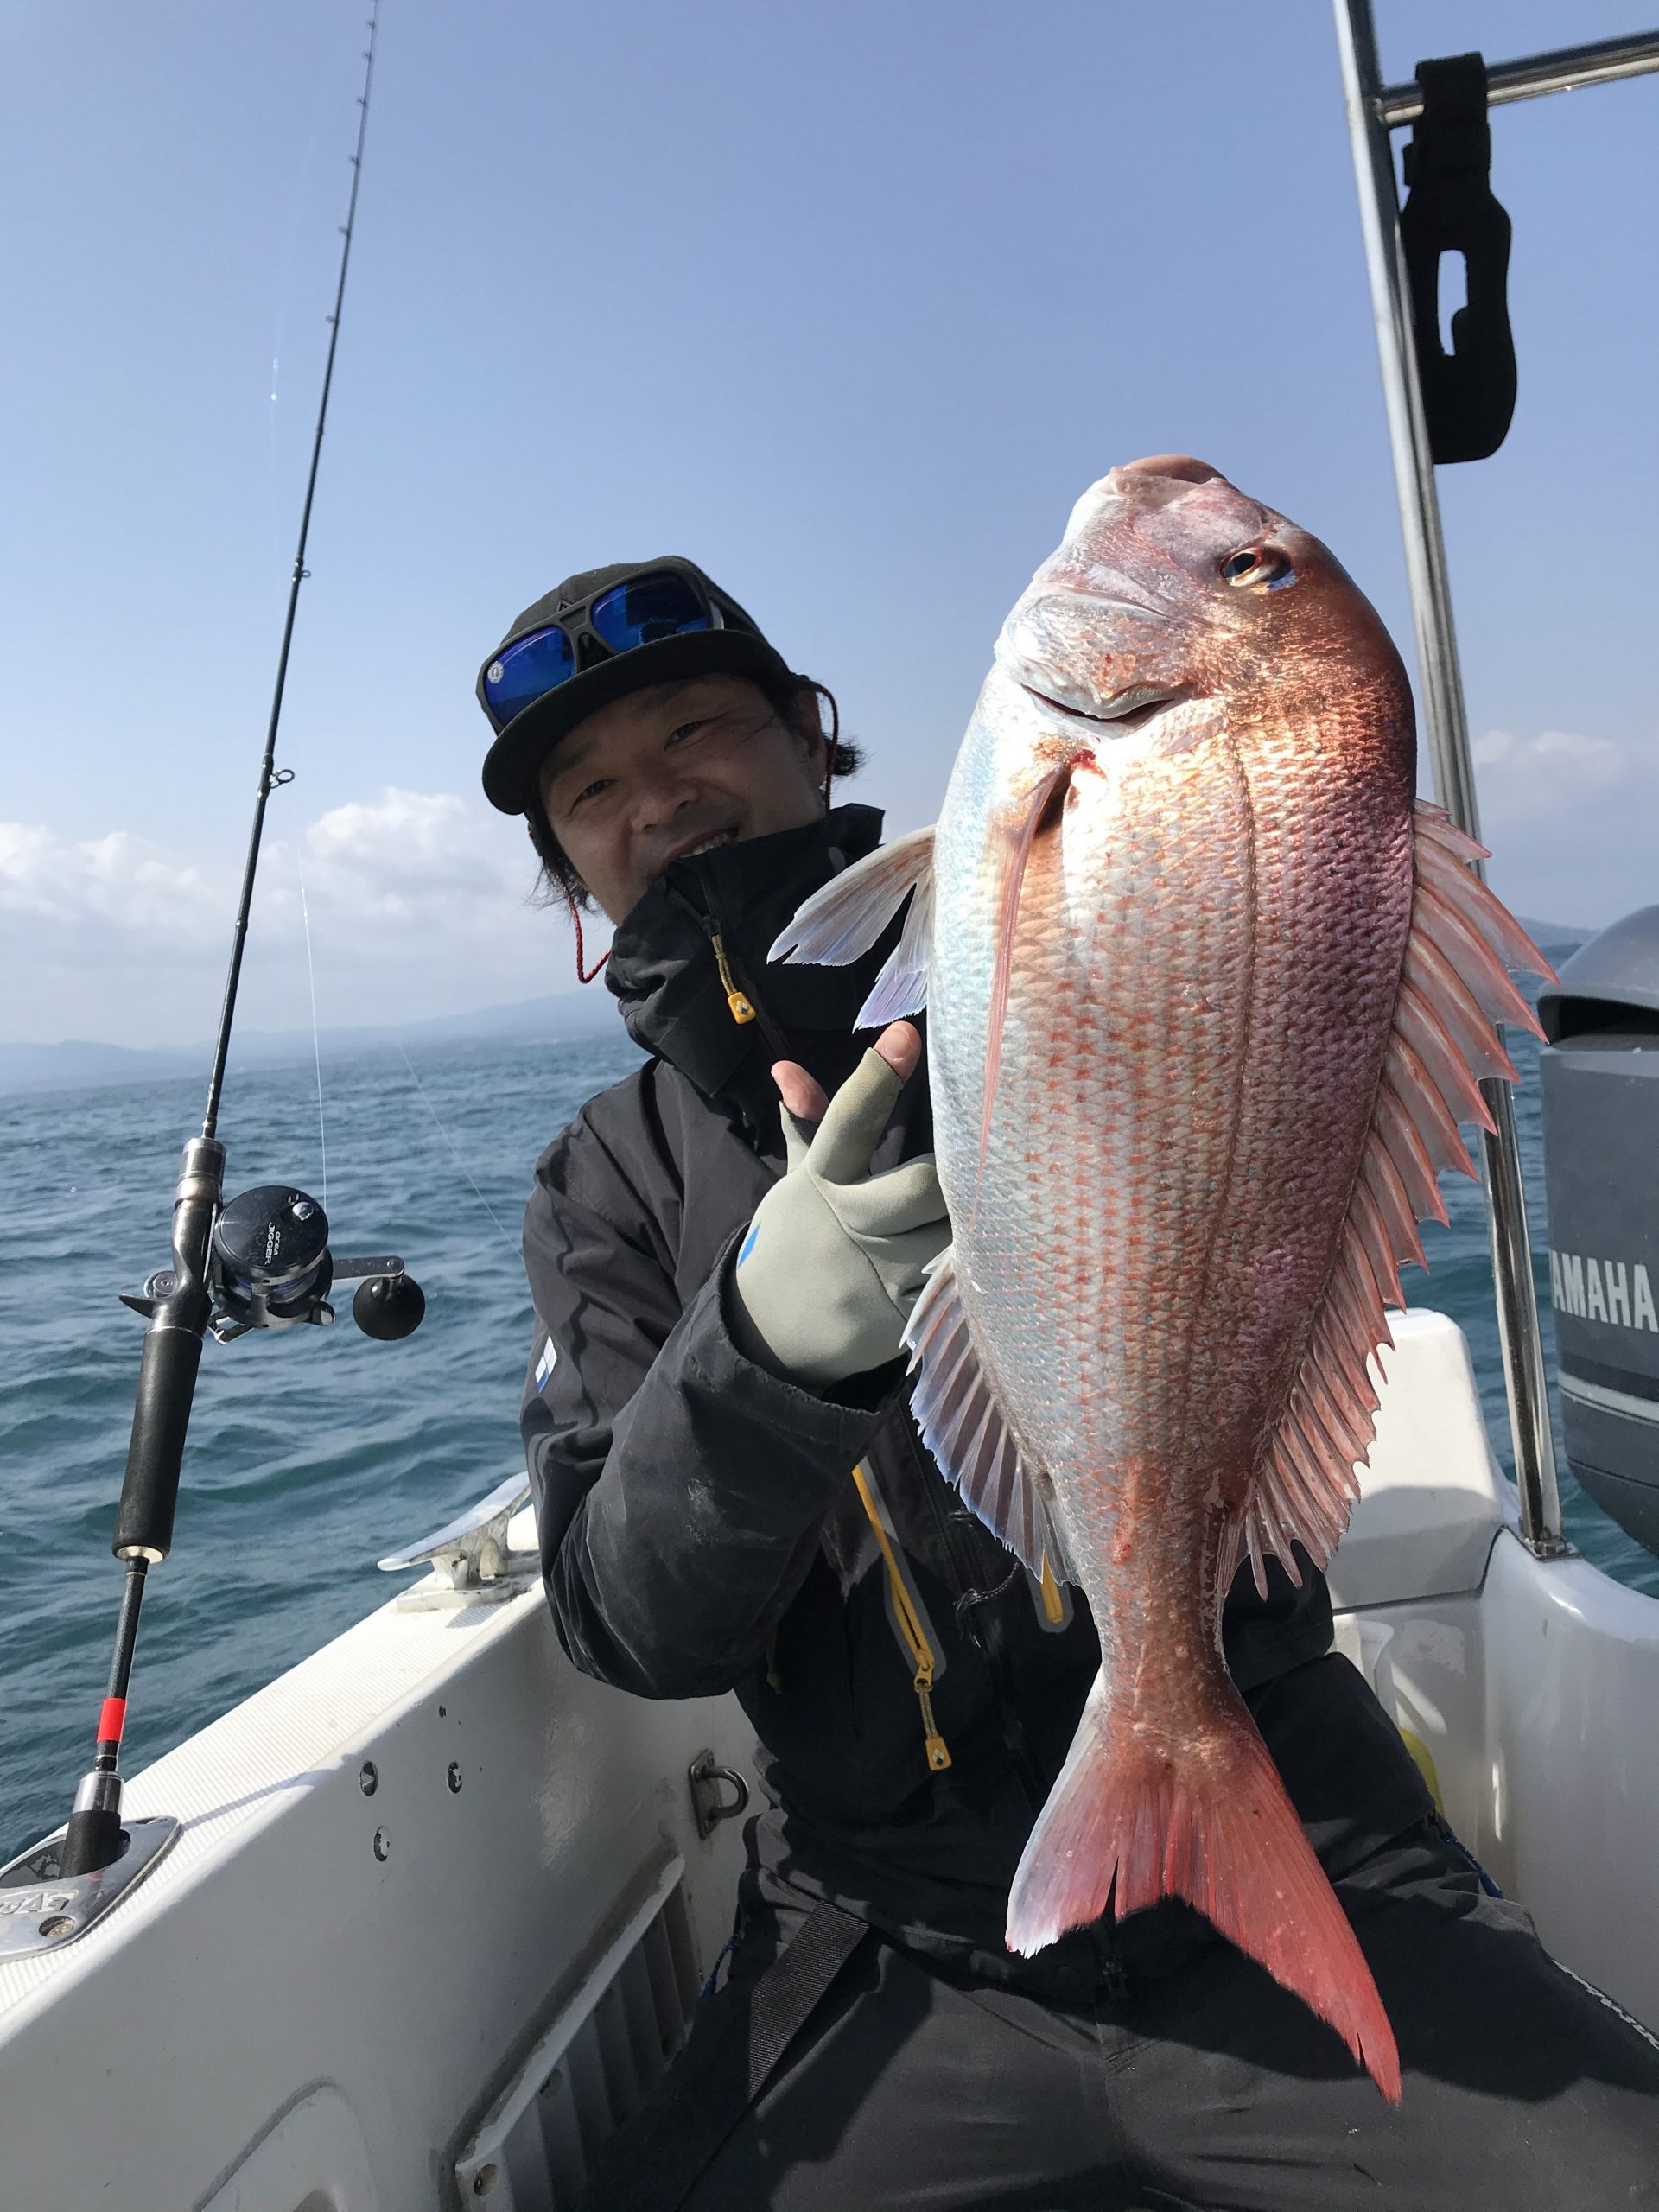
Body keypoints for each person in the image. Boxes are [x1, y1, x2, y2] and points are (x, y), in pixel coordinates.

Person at [477, 544, 1659, 2209]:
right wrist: (763, 1344)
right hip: (888, 1930)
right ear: (571, 884)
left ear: (812, 736)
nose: (655, 801)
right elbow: (631, 1625)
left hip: (1304, 1820)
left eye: (694, 731)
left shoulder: (1057, 918)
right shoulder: (606, 1185)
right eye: (591, 793)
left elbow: (1291, 959)